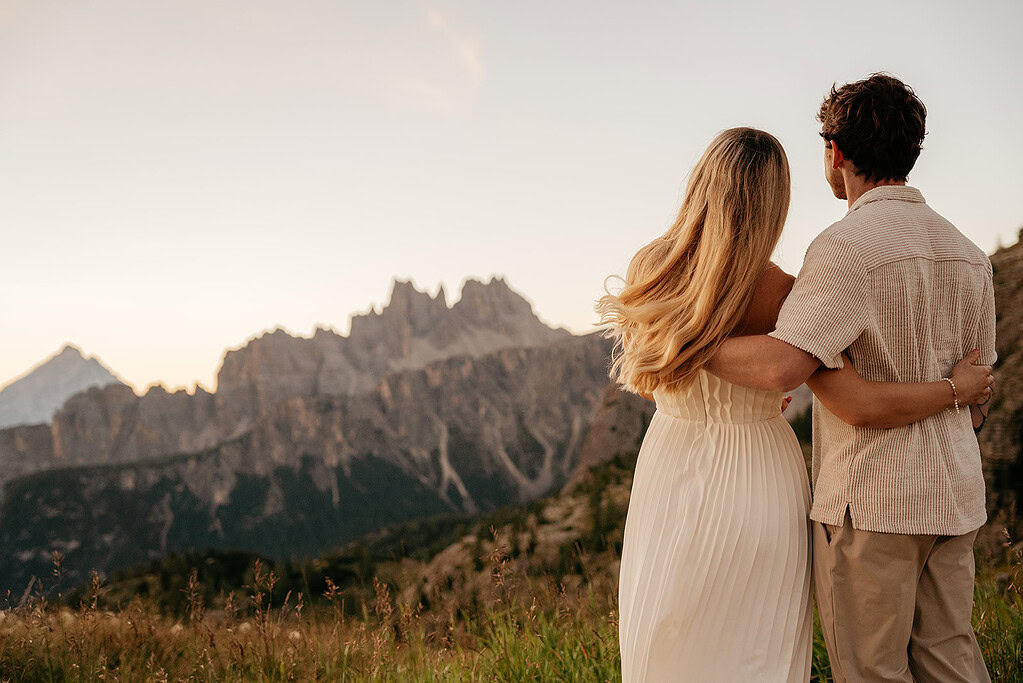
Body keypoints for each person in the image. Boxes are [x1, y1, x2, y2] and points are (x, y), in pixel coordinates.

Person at [596, 124, 993, 681]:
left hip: (673, 465)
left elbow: (650, 381)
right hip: (763, 473)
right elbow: (835, 390)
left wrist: (679, 343)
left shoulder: (652, 271)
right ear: (776, 202)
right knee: (759, 644)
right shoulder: (783, 290)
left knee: (673, 632)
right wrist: (956, 390)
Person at [705, 74, 997, 681]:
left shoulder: (843, 248)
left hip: (872, 505)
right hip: (955, 494)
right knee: (952, 663)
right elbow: (977, 401)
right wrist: (949, 397)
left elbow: (786, 364)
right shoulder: (970, 255)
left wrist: (687, 350)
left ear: (836, 153)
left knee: (871, 671)